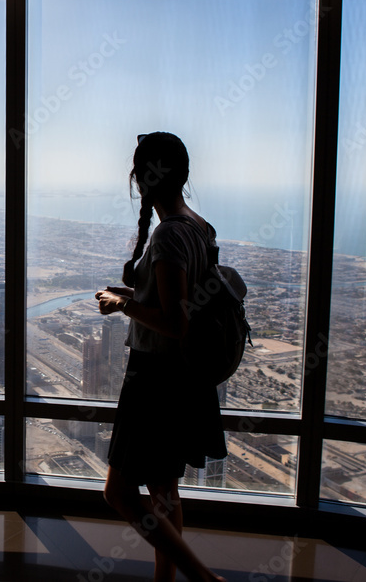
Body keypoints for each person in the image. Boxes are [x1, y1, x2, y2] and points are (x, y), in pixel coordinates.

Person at [95, 132, 228, 582]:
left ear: (141, 179)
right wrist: (134, 293)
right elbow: (184, 301)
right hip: (186, 377)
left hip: (154, 379)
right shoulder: (198, 227)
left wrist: (125, 305)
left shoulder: (169, 235)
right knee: (165, 493)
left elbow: (175, 322)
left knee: (119, 493)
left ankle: (204, 579)